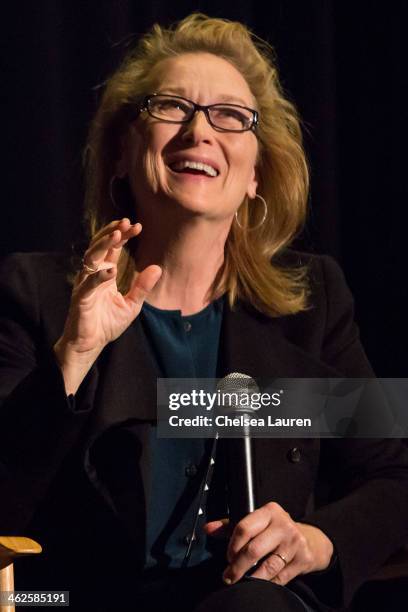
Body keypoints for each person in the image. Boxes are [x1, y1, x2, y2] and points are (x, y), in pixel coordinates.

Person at [0, 13, 407, 612]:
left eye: (230, 116)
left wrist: (317, 541)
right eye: (170, 108)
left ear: (255, 174)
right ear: (120, 153)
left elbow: (396, 479)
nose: (199, 131)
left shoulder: (311, 304)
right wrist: (75, 354)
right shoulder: (36, 292)